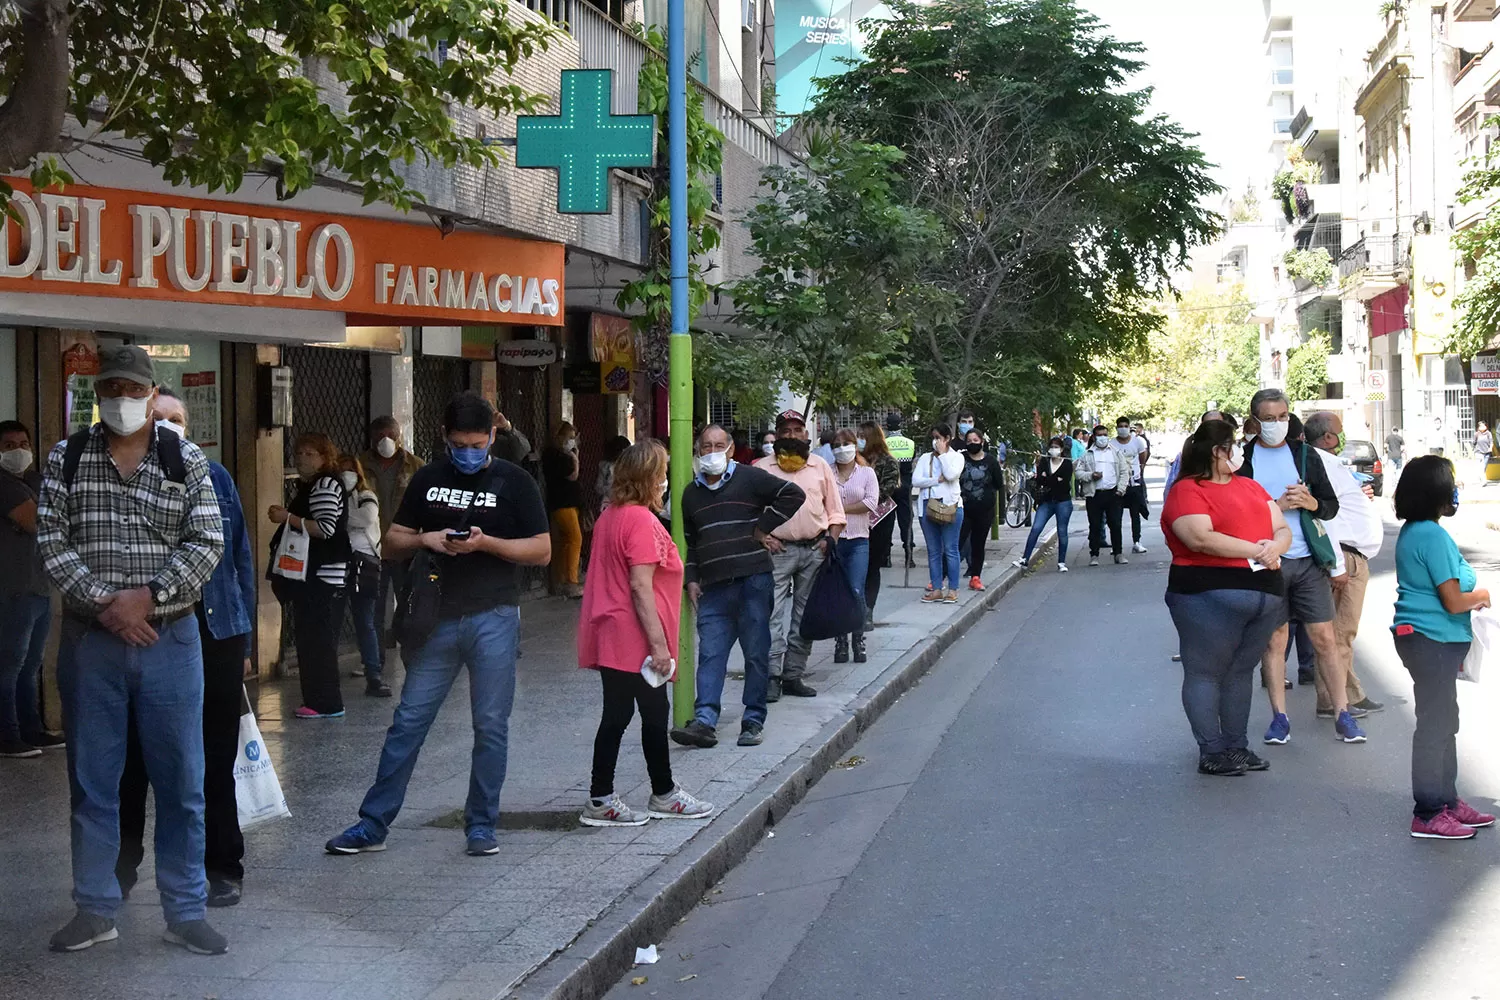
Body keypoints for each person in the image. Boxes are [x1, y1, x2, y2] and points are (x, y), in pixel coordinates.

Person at [38, 345, 227, 955]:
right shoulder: (65, 460)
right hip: (92, 645)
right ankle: (95, 909)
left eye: (132, 388)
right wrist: (107, 605)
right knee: (93, 783)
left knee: (183, 782)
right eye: (110, 388)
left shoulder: (186, 459)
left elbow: (207, 542)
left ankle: (186, 910)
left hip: (170, 641)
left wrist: (147, 598)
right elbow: (52, 541)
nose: (120, 399)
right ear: (97, 393)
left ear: (151, 394)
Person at [326, 392, 551, 857]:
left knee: (490, 726)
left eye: (476, 443)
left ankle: (482, 824)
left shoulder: (516, 482)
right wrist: (426, 538)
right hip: (436, 621)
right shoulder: (428, 478)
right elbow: (389, 542)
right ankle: (372, 824)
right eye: (458, 444)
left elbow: (541, 550)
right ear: (445, 440)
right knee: (408, 722)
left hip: (494, 617)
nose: (468, 452)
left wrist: (487, 543)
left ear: (492, 436)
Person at [117, 388, 257, 909]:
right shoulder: (121, 479)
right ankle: (119, 871)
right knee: (131, 762)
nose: (170, 426)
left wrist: (245, 639)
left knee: (212, 759)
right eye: (160, 418)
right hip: (146, 635)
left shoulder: (215, 477)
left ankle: (220, 867)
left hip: (214, 633)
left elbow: (239, 556)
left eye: (178, 419)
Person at [575, 440, 714, 826]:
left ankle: (613, 796)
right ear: (650, 477)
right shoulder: (639, 520)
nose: (666, 479)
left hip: (613, 631)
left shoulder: (610, 517)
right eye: (663, 471)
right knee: (651, 714)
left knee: (620, 714)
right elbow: (640, 585)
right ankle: (656, 794)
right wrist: (659, 647)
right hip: (634, 635)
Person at [1161, 420, 1292, 776]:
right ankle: (1212, 749)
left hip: (1263, 592)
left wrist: (1274, 547)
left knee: (1239, 673)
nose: (1238, 451)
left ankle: (1235, 746)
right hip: (1206, 594)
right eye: (1232, 445)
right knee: (1206, 672)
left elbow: (1281, 527)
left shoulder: (1250, 486)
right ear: (1217, 451)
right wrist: (1258, 550)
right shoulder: (1187, 491)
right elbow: (1199, 538)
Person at [1237, 388, 1364, 746]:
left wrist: (1310, 502)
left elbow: (1330, 507)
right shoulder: (1243, 460)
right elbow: (1238, 516)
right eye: (1269, 418)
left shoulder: (1305, 456)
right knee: (1275, 641)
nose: (1277, 424)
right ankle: (1280, 717)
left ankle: (1342, 713)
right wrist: (1275, 506)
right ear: (1255, 421)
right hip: (1267, 560)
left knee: (1324, 637)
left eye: (1283, 417)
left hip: (1308, 559)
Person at [672, 425, 804, 749]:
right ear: (698, 451)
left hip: (753, 581)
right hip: (713, 587)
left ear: (731, 450)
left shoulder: (750, 478)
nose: (712, 451)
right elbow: (692, 541)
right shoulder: (691, 494)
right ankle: (704, 721)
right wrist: (691, 577)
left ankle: (753, 720)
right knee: (711, 654)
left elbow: (793, 495)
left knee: (756, 654)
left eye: (719, 445)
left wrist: (762, 528)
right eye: (706, 446)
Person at [1391, 455, 1496, 839]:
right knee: (1435, 726)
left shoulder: (1419, 530)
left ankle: (1447, 800)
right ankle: (1429, 811)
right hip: (1429, 637)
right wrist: (1481, 594)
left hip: (1432, 639)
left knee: (1444, 722)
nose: (1455, 489)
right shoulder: (1430, 534)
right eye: (1450, 481)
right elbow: (1453, 599)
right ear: (1434, 491)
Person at [755, 411, 846, 701]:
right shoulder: (760, 469)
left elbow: (835, 510)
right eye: (786, 430)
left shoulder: (820, 466)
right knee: (771, 616)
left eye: (797, 430)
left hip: (813, 550)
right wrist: (762, 537)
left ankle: (794, 674)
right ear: (777, 434)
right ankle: (771, 675)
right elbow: (749, 511)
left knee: (805, 616)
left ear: (807, 436)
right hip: (776, 552)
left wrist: (829, 541)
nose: (792, 435)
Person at [1304, 411, 1385, 720]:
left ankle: (1348, 693)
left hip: (1349, 556)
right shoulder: (1322, 463)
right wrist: (1336, 563)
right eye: (1339, 432)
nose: (1341, 437)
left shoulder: (1328, 464)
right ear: (1327, 437)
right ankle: (1336, 699)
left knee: (1340, 635)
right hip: (1345, 558)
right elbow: (1326, 517)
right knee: (1339, 634)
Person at [269, 432, 351, 720]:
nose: (303, 459)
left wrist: (287, 519)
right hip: (312, 574)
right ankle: (318, 699)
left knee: (317, 639)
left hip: (321, 574)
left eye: (310, 454)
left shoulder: (325, 484)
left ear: (324, 456)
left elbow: (325, 528)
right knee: (311, 637)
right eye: (300, 453)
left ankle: (325, 701)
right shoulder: (313, 485)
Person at [0, 420, 62, 758]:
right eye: (9, 445)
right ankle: (7, 735)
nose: (19, 450)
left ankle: (31, 729)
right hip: (13, 589)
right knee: (9, 665)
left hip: (40, 586)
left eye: (23, 442)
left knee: (31, 664)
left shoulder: (34, 480)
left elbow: (62, 514)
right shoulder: (5, 484)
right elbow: (38, 522)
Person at [357, 417, 424, 652]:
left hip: (405, 551)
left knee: (409, 607)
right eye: (379, 436)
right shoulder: (359, 466)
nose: (385, 441)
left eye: (390, 435)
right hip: (371, 550)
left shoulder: (416, 466)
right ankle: (374, 664)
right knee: (372, 611)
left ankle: (413, 654)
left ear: (399, 436)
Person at [340, 454, 390, 697]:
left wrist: (339, 519)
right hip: (340, 561)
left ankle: (374, 674)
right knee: (335, 620)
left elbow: (367, 518)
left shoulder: (366, 496)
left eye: (349, 470)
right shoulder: (334, 495)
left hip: (364, 562)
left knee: (365, 621)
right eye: (341, 470)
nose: (345, 475)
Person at [831, 429, 878, 663]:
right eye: (837, 445)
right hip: (834, 540)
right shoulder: (827, 474)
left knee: (856, 590)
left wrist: (840, 509)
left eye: (846, 444)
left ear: (855, 446)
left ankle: (858, 639)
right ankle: (840, 640)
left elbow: (870, 502)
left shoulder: (867, 473)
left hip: (859, 539)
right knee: (838, 593)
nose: (842, 449)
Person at [914, 423, 965, 603]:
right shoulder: (925, 458)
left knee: (950, 549)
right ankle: (936, 588)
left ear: (947, 439)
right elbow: (916, 480)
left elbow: (951, 475)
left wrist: (943, 455)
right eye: (933, 438)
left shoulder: (956, 457)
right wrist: (935, 480)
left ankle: (953, 589)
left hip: (950, 507)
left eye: (939, 438)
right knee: (933, 550)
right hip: (927, 507)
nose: (935, 442)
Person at [858, 420, 901, 623]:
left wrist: (864, 501)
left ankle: (868, 610)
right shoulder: (855, 461)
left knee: (873, 565)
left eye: (862, 436)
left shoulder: (888, 462)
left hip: (879, 519)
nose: (858, 440)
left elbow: (887, 489)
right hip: (855, 520)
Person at [1014, 435, 1074, 573]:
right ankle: (1025, 558)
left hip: (1063, 501)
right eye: (1051, 447)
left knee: (1062, 531)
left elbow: (1064, 484)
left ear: (1062, 449)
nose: (1054, 450)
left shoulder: (1066, 463)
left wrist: (1049, 478)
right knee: (1036, 528)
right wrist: (1053, 479)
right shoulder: (1044, 462)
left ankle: (1061, 562)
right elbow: (1040, 480)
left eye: (1056, 447)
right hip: (1046, 501)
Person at [1076, 424, 1133, 566]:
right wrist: (1091, 475)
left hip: (1113, 493)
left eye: (1105, 435)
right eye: (1100, 435)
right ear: (1094, 437)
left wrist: (1120, 489)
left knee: (1115, 524)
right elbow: (1078, 472)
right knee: (1095, 525)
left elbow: (1124, 471)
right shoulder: (1087, 454)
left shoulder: (1115, 452)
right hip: (1094, 494)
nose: (1103, 438)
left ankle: (1118, 553)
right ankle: (1094, 554)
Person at [958, 429, 1004, 588]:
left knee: (978, 544)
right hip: (963, 510)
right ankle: (942, 577)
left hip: (984, 511)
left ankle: (975, 577)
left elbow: (999, 484)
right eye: (969, 441)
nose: (972, 443)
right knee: (956, 543)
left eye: (975, 440)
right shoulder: (961, 459)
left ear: (982, 442)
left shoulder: (991, 461)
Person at [543, 421, 584, 598]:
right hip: (563, 503)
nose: (571, 442)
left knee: (562, 541)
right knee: (575, 539)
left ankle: (560, 580)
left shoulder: (555, 454)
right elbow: (573, 475)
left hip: (565, 502)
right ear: (559, 437)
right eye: (569, 438)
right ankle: (572, 582)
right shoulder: (557, 456)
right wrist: (575, 458)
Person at [1111, 417, 1150, 555]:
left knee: (1135, 513)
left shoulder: (1137, 441)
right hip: (1118, 484)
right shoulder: (1112, 443)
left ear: (1129, 427)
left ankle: (1137, 542)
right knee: (1116, 516)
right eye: (1120, 426)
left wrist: (1140, 469)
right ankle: (1116, 545)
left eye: (1125, 425)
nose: (1123, 428)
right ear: (1116, 427)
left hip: (1134, 483)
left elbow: (1142, 455)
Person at [884, 414, 917, 568]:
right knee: (906, 521)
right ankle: (909, 556)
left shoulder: (883, 443)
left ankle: (886, 557)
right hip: (905, 486)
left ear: (887, 426)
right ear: (900, 425)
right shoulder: (910, 443)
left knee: (887, 522)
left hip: (888, 487)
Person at [595, 435, 633, 514]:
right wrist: (611, 489)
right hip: (610, 502)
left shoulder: (631, 466)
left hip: (627, 502)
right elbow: (598, 488)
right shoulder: (605, 466)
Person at [1473, 421, 1493, 487]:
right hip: (1478, 452)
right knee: (1481, 467)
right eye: (1480, 425)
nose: (1481, 427)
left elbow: (1491, 442)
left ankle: (1481, 478)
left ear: (1485, 426)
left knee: (1484, 467)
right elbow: (1474, 442)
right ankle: (1484, 481)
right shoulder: (1476, 434)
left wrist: (1490, 448)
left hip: (1487, 452)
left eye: (1483, 425)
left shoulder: (1488, 433)